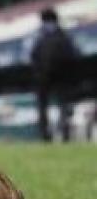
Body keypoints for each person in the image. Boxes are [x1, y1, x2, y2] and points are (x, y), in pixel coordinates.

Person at [30, 7, 79, 141]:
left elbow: (33, 57)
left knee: (43, 107)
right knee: (63, 105)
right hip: (62, 77)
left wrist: (39, 73)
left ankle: (45, 135)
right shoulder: (63, 35)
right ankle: (64, 133)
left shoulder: (39, 36)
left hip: (44, 78)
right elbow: (73, 55)